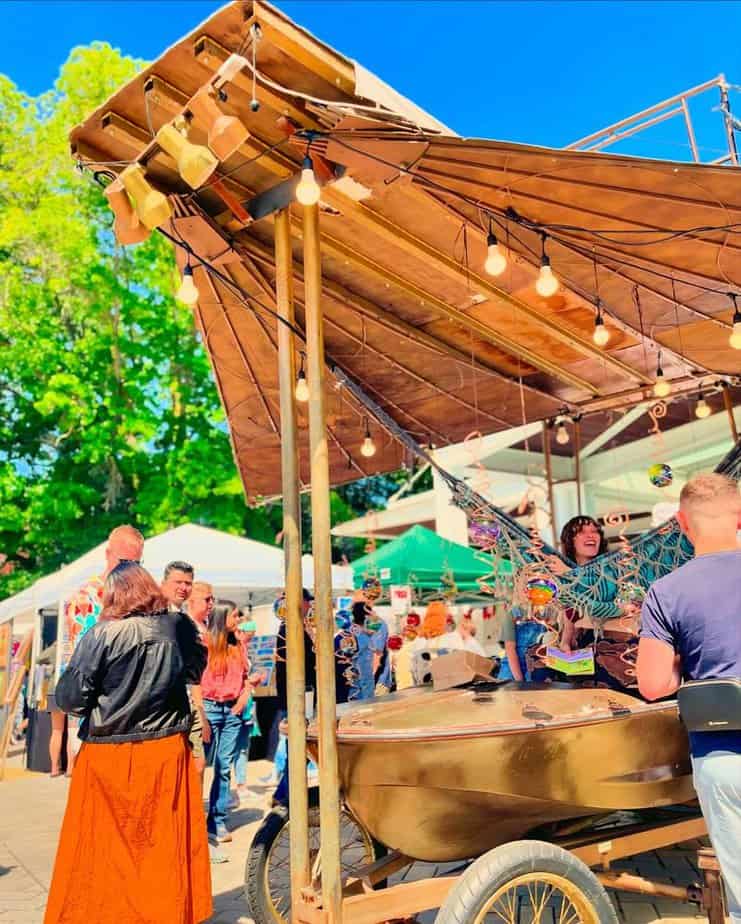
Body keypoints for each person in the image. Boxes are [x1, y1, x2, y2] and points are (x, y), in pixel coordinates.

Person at [44, 562, 211, 924]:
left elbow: (71, 699)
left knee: (104, 848)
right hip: (166, 749)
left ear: (115, 595)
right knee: (160, 844)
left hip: (109, 752)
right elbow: (197, 670)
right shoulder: (179, 627)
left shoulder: (100, 635)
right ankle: (163, 914)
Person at [637, 472, 741, 922]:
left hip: (723, 759)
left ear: (681, 524)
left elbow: (653, 685)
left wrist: (681, 661)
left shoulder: (666, 592)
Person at [60, 524, 144, 771]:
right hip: (95, 709)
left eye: (136, 563)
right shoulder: (87, 597)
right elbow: (82, 664)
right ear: (108, 554)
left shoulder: (140, 598)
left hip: (129, 709)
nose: (129, 570)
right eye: (123, 561)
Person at [499, 516, 607, 682]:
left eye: (595, 531)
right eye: (582, 532)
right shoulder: (525, 610)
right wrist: (564, 641)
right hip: (575, 658)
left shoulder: (607, 573)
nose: (591, 535)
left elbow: (596, 599)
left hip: (604, 649)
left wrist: (568, 574)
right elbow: (570, 611)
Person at [201, 602, 252, 844]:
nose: (238, 618)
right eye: (234, 615)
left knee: (223, 768)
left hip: (232, 710)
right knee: (199, 766)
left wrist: (245, 695)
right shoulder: (206, 643)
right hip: (209, 708)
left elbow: (246, 677)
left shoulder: (238, 644)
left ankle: (216, 821)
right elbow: (194, 679)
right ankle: (192, 819)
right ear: (223, 617)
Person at [231, 618, 262, 806]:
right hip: (234, 705)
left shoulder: (245, 651)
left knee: (243, 746)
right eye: (248, 636)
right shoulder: (232, 650)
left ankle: (241, 786)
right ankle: (225, 790)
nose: (248, 640)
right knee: (229, 749)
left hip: (247, 705)